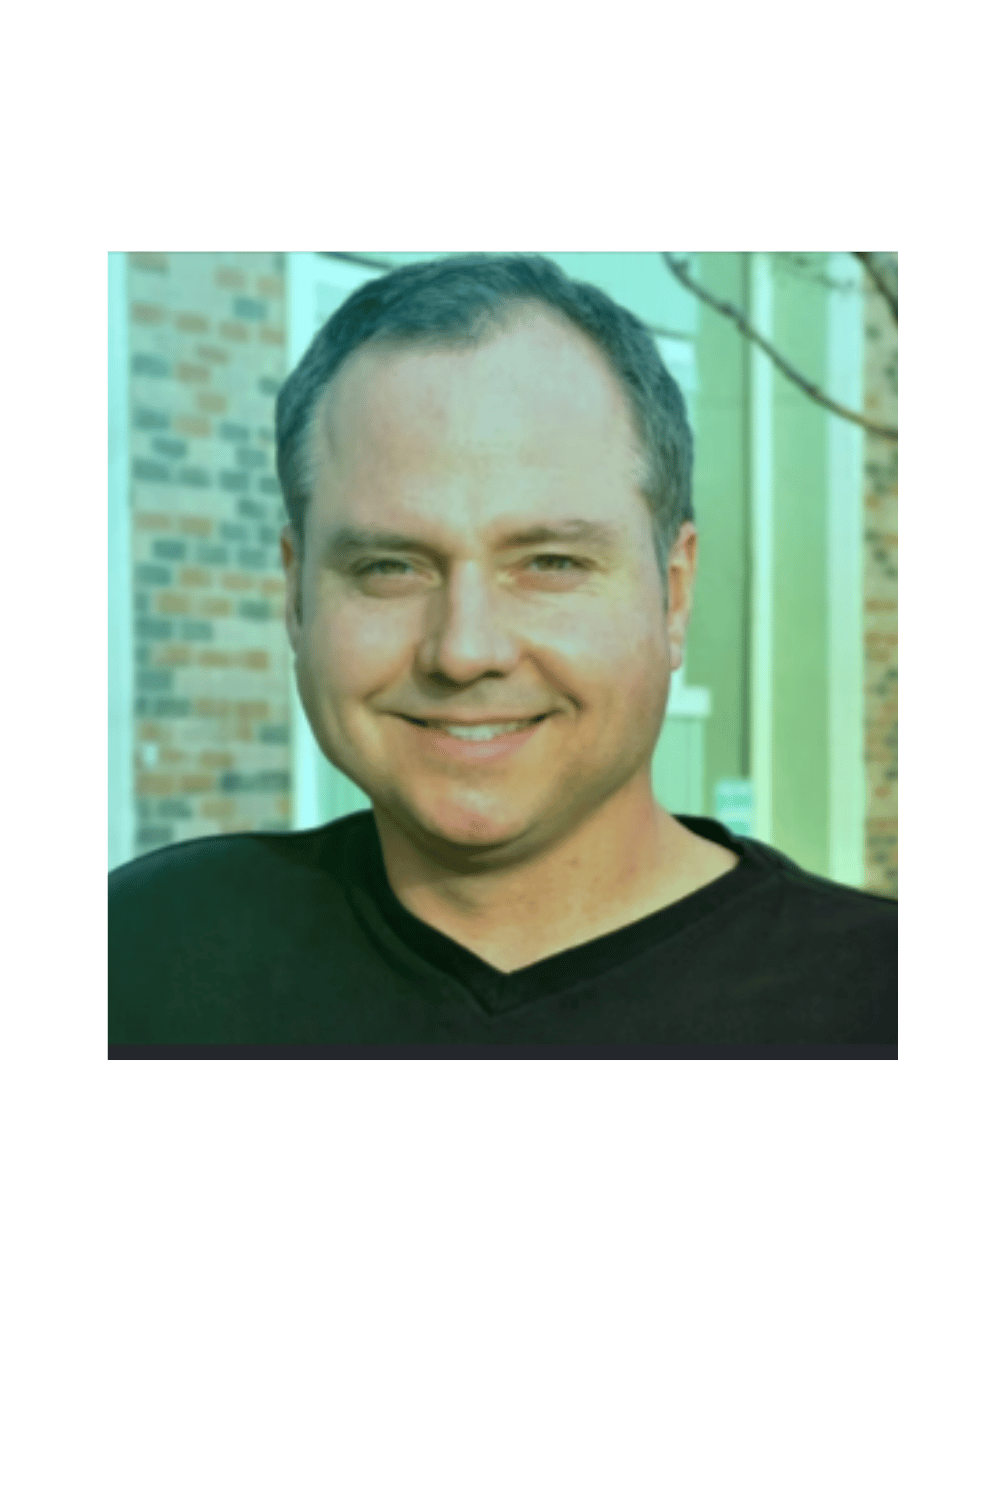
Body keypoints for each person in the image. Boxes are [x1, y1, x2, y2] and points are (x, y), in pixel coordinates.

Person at [108, 254, 895, 1046]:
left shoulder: (880, 1005)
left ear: (675, 594)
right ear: (296, 595)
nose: (464, 650)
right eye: (389, 567)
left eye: (550, 563)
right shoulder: (138, 955)